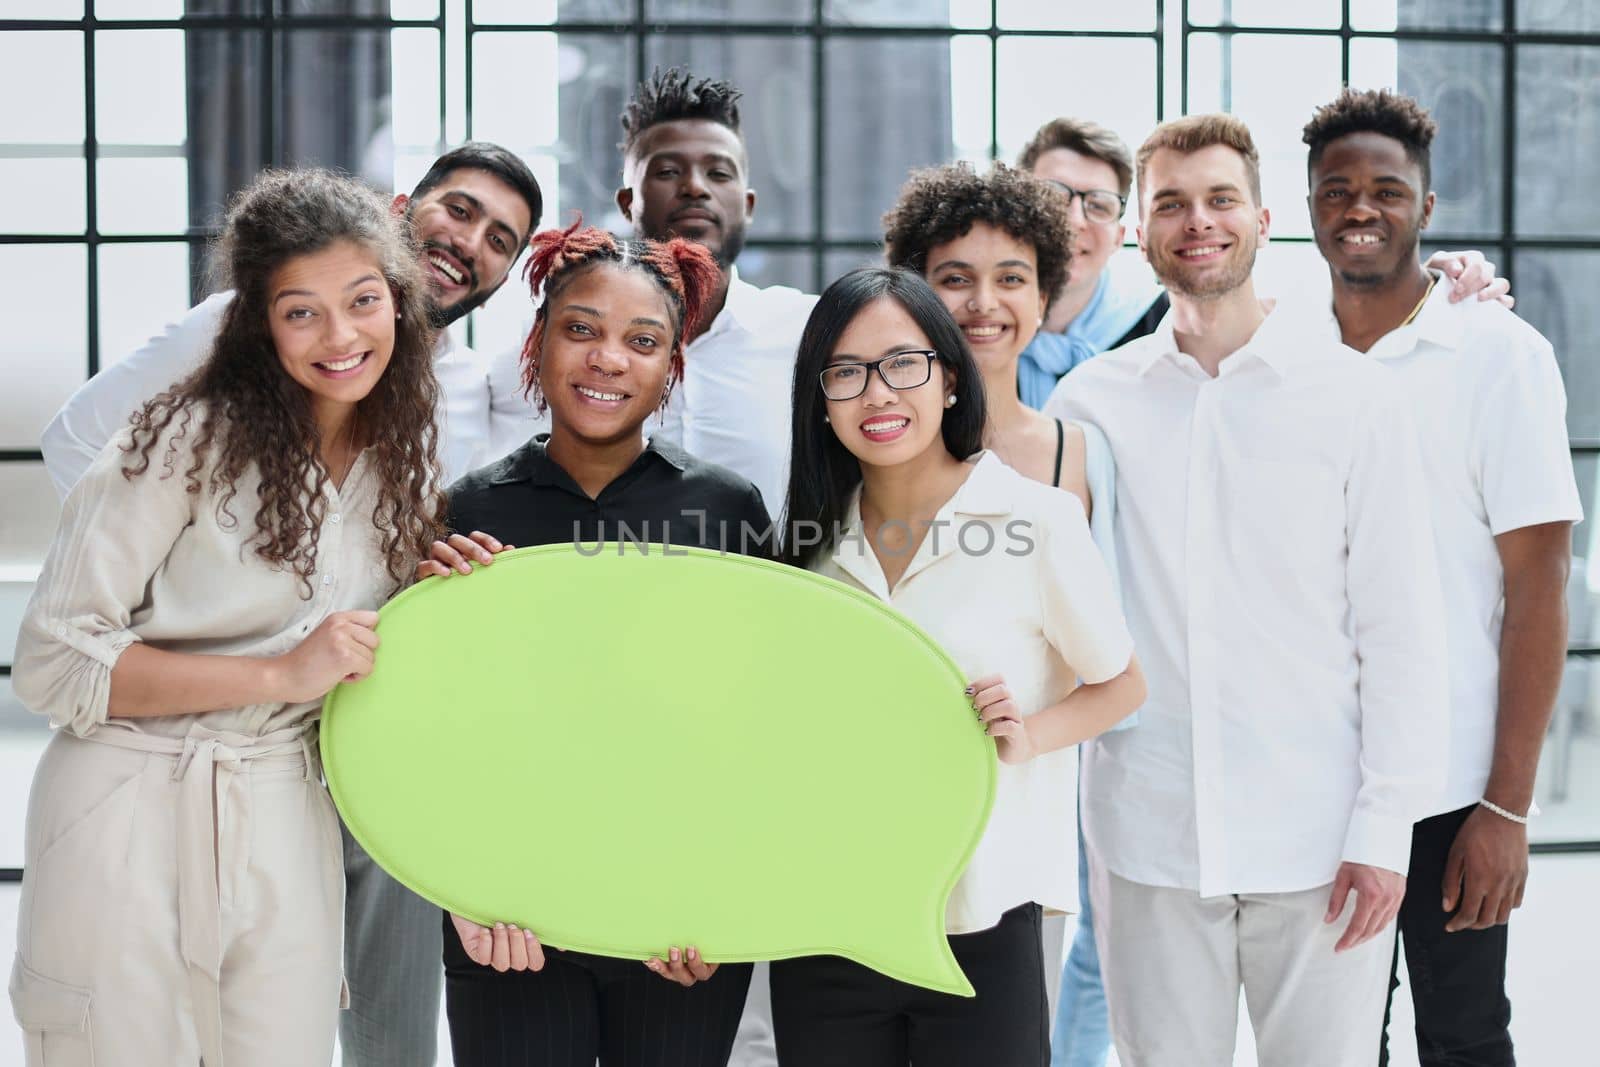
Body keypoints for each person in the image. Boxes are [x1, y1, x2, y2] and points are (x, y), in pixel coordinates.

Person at [37, 142, 543, 1067]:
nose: (338, 335)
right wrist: (248, 642)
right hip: (137, 796)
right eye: (300, 313)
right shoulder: (182, 431)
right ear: (257, 322)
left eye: (361, 304)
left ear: (395, 300)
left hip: (296, 794)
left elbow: (352, 616)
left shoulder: (412, 437)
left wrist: (421, 591)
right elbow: (55, 657)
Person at [1044, 114, 1451, 1066]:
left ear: (1264, 218)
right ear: (1141, 235)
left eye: (1221, 198)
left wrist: (1386, 828)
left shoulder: (1357, 401)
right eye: (1172, 205)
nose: (1199, 221)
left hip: (1319, 845)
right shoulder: (1090, 406)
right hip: (1146, 840)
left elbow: (1401, 628)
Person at [768, 267, 1145, 1066]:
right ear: (819, 398)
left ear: (947, 378)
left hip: (982, 912)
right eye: (846, 373)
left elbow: (1122, 681)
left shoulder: (1034, 517)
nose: (877, 394)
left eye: (903, 364)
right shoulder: (805, 540)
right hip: (825, 911)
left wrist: (1029, 735)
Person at [419, 221, 767, 1067]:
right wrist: (463, 887)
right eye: (581, 329)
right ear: (536, 344)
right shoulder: (467, 514)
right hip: (510, 917)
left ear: (671, 366)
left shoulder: (727, 509)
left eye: (642, 340)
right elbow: (433, 725)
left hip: (678, 916)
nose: (608, 359)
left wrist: (727, 901)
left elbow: (764, 723)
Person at [1301, 88, 1581, 1067]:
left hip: (1454, 786)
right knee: (1329, 1044)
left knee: (1462, 1037)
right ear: (1307, 205)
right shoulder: (1278, 357)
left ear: (1427, 205)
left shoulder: (1497, 353)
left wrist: (1505, 807)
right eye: (1336, 189)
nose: (1359, 207)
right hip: (1313, 781)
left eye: (1386, 187)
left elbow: (1540, 590)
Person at [486, 68, 815, 516]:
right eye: (667, 170)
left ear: (748, 204)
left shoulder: (806, 333)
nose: (695, 187)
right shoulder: (553, 348)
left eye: (718, 172)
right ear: (627, 202)